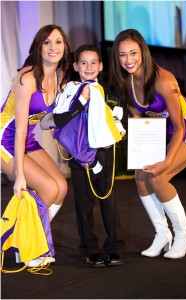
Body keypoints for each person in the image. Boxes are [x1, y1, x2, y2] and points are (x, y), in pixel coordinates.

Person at [109, 29, 186, 259]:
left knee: (159, 176)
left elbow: (180, 127)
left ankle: (183, 233)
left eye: (133, 53)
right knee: (141, 176)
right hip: (162, 131)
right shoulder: (126, 83)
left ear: (143, 52)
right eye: (122, 55)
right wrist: (140, 153)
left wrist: (166, 161)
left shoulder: (164, 80)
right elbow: (138, 120)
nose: (128, 60)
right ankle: (162, 234)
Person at [41, 44, 126, 267]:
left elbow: (120, 121)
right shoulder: (69, 92)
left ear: (101, 66)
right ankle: (89, 248)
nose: (89, 67)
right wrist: (82, 100)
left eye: (93, 62)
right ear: (76, 66)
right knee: (83, 203)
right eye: (84, 62)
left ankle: (114, 247)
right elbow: (57, 120)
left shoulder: (110, 94)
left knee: (109, 201)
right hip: (80, 156)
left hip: (105, 155)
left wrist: (118, 132)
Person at [1, 24, 70, 266]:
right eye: (47, 42)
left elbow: (41, 122)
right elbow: (19, 128)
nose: (53, 47)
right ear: (38, 47)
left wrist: (63, 122)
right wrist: (19, 175)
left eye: (58, 42)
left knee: (61, 187)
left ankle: (29, 237)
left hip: (28, 139)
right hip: (5, 140)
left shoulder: (60, 77)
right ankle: (28, 246)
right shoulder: (27, 78)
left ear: (65, 47)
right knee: (49, 189)